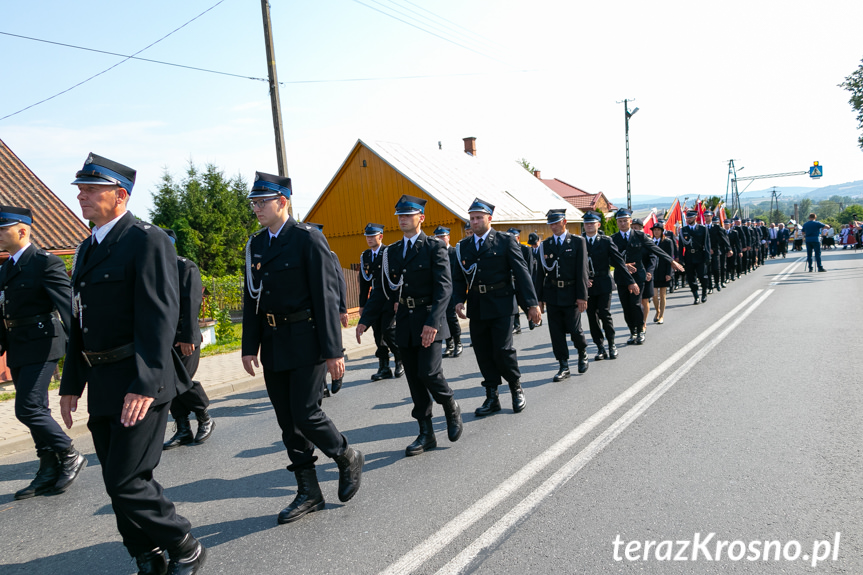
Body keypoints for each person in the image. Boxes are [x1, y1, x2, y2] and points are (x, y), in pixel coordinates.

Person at [60, 153, 205, 574]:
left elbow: (159, 316)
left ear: (119, 195)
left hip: (139, 380)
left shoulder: (147, 239)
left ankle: (184, 543)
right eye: (81, 189)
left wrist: (145, 382)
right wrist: (72, 383)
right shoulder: (87, 247)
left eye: (91, 189)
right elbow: (78, 319)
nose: (82, 196)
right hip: (103, 380)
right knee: (116, 483)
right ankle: (146, 555)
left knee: (128, 480)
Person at [241, 172, 362, 525]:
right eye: (254, 203)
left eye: (262, 202)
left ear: (283, 202)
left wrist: (333, 351)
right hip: (274, 342)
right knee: (287, 422)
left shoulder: (308, 239)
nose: (257, 209)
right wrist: (250, 346)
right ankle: (309, 491)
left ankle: (345, 455)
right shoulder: (257, 244)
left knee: (306, 411)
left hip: (307, 339)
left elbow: (326, 298)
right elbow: (252, 300)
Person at [357, 196, 462, 456]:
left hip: (429, 319)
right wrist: (365, 320)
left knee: (429, 372)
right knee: (415, 379)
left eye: (408, 215)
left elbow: (444, 288)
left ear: (421, 218)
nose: (403, 219)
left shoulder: (434, 247)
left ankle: (450, 404)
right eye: (399, 216)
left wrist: (433, 322)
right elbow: (382, 291)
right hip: (405, 320)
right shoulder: (391, 252)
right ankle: (426, 433)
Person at [0, 206, 84, 501]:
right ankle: (48, 469)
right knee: (38, 409)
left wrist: (81, 352)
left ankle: (69, 454)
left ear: (22, 230)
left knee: (27, 408)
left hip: (44, 343)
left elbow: (68, 309)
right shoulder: (6, 267)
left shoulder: (45, 263)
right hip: (18, 346)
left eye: (2, 229)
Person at [452, 198, 541, 416]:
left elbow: (521, 273)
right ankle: (492, 396)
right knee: (483, 352)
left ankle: (515, 387)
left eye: (478, 217)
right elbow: (458, 278)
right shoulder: (463, 246)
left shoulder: (505, 241)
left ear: (489, 219)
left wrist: (531, 304)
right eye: (471, 218)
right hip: (478, 305)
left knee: (503, 350)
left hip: (502, 303)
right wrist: (458, 300)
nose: (474, 222)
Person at [162, 229, 215, 451]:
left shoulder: (185, 267)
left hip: (184, 336)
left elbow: (192, 304)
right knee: (167, 383)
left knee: (180, 381)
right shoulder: (151, 270)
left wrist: (187, 336)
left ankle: (205, 417)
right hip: (162, 338)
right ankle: (183, 428)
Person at [611, 209, 683, 344]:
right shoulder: (613, 239)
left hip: (638, 276)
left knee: (636, 304)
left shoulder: (639, 236)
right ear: (617, 222)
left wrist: (671, 261)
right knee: (626, 306)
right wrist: (623, 265)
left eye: (625, 221)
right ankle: (632, 331)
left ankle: (640, 330)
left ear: (630, 221)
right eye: (619, 221)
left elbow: (655, 249)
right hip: (622, 277)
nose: (622, 224)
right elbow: (608, 258)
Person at [535, 209, 589, 381]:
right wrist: (539, 299)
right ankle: (563, 365)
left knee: (575, 331)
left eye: (556, 222)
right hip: (552, 294)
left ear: (564, 222)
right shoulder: (545, 245)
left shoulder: (577, 242)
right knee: (556, 333)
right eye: (550, 223)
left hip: (572, 293)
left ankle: (582, 352)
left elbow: (582, 271)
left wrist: (582, 296)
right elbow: (539, 274)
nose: (553, 226)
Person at [583, 211, 636, 360]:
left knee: (605, 314)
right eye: (586, 223)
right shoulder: (579, 241)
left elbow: (618, 262)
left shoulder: (606, 241)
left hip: (604, 282)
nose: (589, 226)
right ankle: (600, 347)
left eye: (592, 223)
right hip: (587, 285)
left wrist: (630, 281)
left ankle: (611, 344)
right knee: (592, 317)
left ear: (598, 225)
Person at [358, 223, 404, 378]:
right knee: (377, 333)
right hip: (374, 302)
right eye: (367, 236)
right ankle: (384, 366)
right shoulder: (365, 256)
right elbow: (364, 283)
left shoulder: (388, 253)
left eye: (372, 236)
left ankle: (400, 359)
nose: (369, 239)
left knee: (388, 330)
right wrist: (363, 305)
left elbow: (396, 277)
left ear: (381, 236)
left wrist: (398, 299)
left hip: (389, 298)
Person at [433, 226, 464, 358]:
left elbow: (458, 274)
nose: (440, 239)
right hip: (439, 291)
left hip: (452, 291)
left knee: (451, 317)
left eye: (442, 236)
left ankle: (458, 342)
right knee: (441, 318)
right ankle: (449, 344)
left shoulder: (454, 252)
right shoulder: (433, 253)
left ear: (448, 237)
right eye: (438, 237)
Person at [679, 209, 711, 305]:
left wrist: (708, 256)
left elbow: (707, 243)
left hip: (700, 255)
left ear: (695, 218)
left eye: (690, 217)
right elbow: (681, 246)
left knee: (702, 276)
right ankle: (696, 296)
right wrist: (680, 258)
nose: (688, 219)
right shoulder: (683, 230)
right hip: (689, 256)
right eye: (687, 218)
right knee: (691, 278)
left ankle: (704, 292)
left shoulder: (702, 228)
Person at [631, 218, 656, 333]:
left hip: (646, 274)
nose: (634, 228)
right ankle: (636, 323)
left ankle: (643, 322)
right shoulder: (629, 240)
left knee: (644, 300)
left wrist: (649, 272)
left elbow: (653, 258)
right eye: (633, 226)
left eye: (636, 227)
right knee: (635, 302)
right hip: (633, 275)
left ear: (641, 228)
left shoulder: (647, 240)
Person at [507, 227, 534, 334]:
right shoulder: (506, 249)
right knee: (513, 304)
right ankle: (516, 326)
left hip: (521, 282)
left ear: (518, 238)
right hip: (510, 281)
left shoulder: (525, 249)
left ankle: (531, 319)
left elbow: (529, 267)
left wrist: (529, 282)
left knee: (524, 303)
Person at [650, 220, 675, 324]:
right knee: (654, 295)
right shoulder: (650, 242)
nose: (656, 232)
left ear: (662, 231)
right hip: (653, 272)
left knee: (662, 295)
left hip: (664, 271)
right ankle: (657, 311)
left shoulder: (667, 242)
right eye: (654, 230)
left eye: (658, 230)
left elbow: (670, 258)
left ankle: (661, 316)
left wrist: (669, 273)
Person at [704, 211, 732, 291]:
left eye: (708, 216)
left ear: (711, 217)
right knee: (708, 270)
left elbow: (724, 238)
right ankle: (710, 287)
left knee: (716, 268)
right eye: (705, 216)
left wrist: (729, 249)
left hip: (716, 251)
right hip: (706, 252)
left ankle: (717, 282)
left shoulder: (716, 227)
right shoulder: (702, 228)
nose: (706, 218)